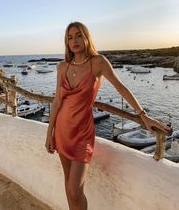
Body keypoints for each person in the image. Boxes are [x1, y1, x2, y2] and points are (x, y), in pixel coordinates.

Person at [45, 21, 171, 210]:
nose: (74, 40)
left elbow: (121, 87)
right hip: (62, 131)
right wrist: (49, 133)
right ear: (67, 42)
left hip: (82, 134)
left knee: (75, 190)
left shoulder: (98, 63)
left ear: (86, 37)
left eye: (78, 35)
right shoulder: (62, 67)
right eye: (70, 37)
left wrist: (143, 115)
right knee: (68, 185)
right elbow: (57, 102)